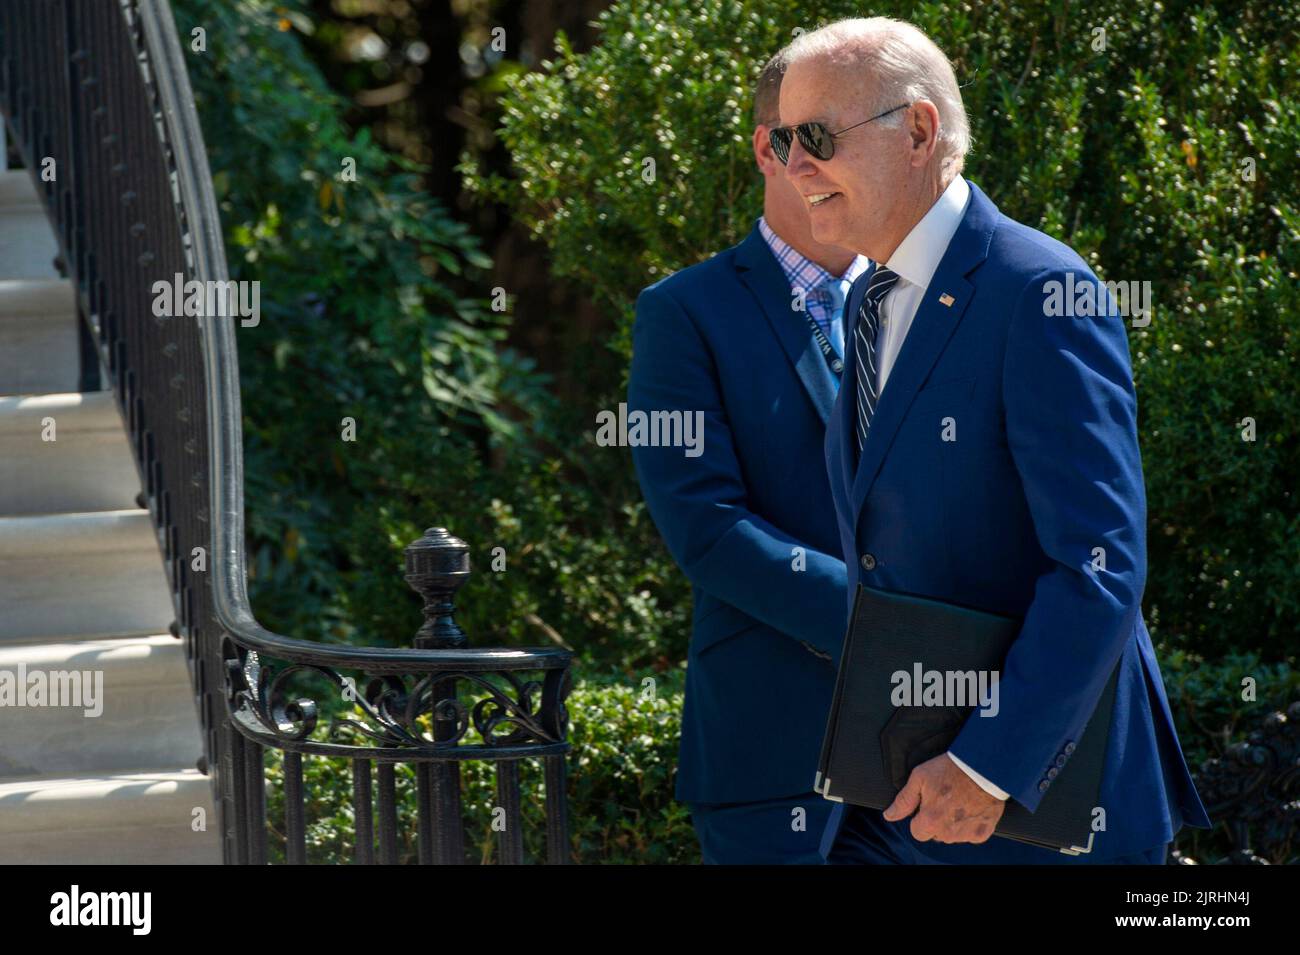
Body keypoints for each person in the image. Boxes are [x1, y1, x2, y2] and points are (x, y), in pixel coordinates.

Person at [770, 16, 1211, 864]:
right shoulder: (866, 303)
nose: (794, 167)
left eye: (816, 136)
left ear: (920, 131)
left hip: (1031, 812)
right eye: (786, 139)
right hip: (895, 796)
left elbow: (1099, 563)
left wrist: (988, 764)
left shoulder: (1041, 289)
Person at [627, 50, 870, 864]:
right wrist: (890, 629)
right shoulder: (684, 313)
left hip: (954, 740)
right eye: (821, 138)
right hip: (776, 742)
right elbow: (707, 529)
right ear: (770, 150)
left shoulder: (932, 299)